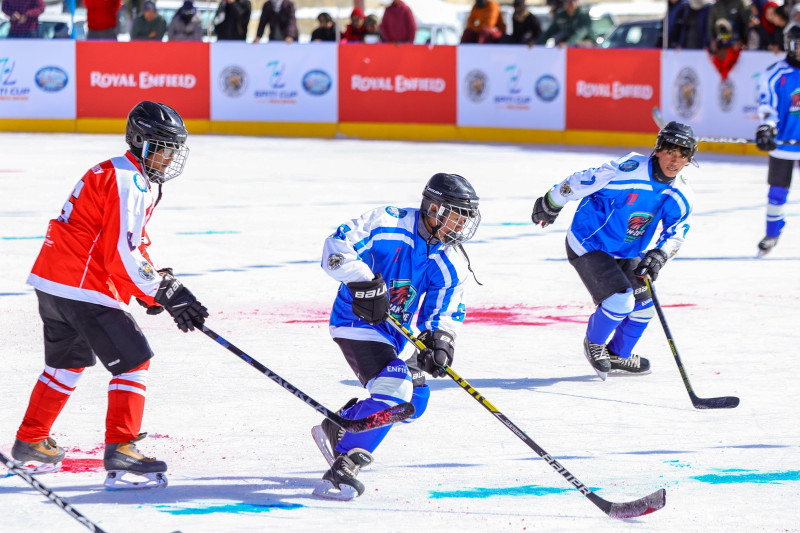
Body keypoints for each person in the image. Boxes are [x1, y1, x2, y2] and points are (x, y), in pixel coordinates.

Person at [10, 101, 209, 489]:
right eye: (162, 146)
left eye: (173, 148)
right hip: (82, 286)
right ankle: (122, 449)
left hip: (53, 282)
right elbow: (120, 252)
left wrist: (152, 293)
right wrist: (164, 290)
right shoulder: (129, 180)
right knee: (134, 361)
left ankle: (32, 441)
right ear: (139, 141)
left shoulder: (117, 172)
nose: (169, 157)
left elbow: (128, 245)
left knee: (65, 365)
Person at [312, 173, 481, 500]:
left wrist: (440, 340)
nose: (460, 227)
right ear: (433, 208)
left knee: (415, 400)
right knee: (396, 391)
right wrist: (363, 281)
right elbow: (335, 250)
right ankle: (345, 459)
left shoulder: (449, 260)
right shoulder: (387, 223)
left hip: (392, 336)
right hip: (355, 322)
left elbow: (445, 309)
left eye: (465, 220)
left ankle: (341, 424)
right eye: (456, 217)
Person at [531, 122, 697, 380]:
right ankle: (594, 343)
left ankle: (618, 354)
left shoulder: (681, 193)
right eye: (670, 151)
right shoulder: (626, 171)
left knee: (644, 307)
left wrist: (659, 255)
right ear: (658, 150)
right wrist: (552, 201)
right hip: (589, 243)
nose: (675, 160)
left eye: (683, 154)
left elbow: (677, 231)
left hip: (627, 251)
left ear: (689, 159)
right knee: (620, 301)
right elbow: (581, 180)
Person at [754, 23, 800, 255]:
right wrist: (766, 128)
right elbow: (768, 108)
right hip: (785, 143)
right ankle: (773, 232)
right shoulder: (775, 73)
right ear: (790, 45)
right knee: (777, 193)